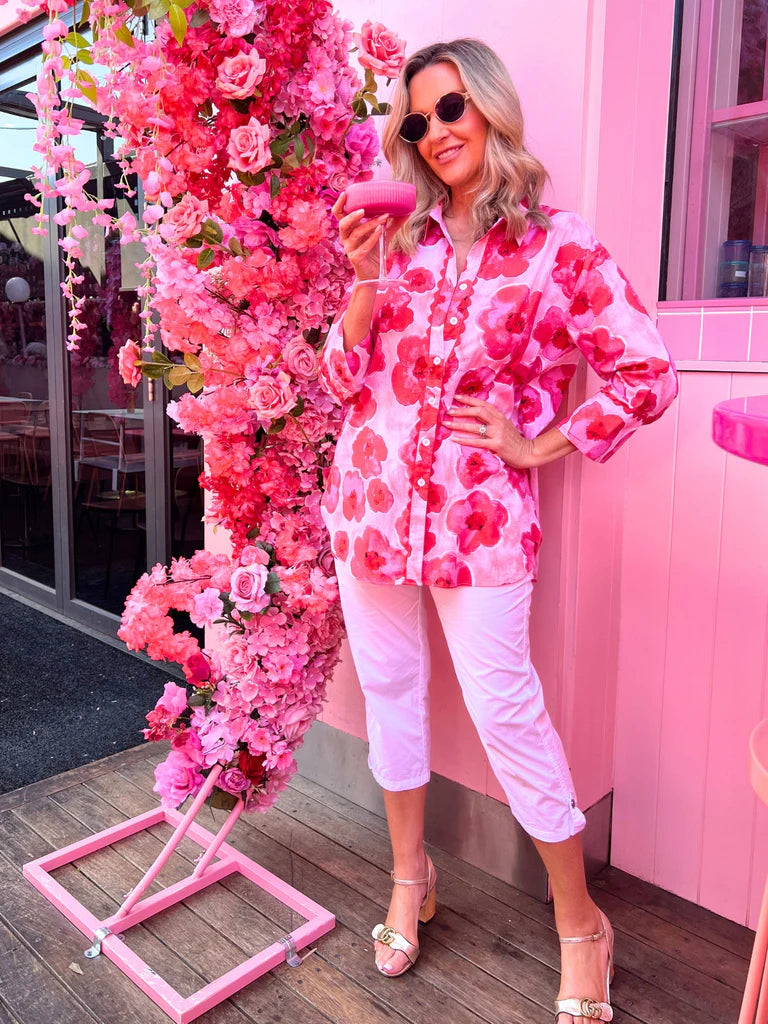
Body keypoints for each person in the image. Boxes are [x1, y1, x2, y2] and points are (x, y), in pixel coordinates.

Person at [319, 38, 677, 1023]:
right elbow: (339, 383)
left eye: (451, 108)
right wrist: (363, 285)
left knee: (507, 714)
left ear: (488, 108)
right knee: (392, 695)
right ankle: (409, 876)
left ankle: (581, 923)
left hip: (478, 522)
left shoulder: (561, 248)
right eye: (416, 118)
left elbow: (647, 373)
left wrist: (538, 445)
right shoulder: (398, 241)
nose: (435, 131)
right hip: (369, 505)